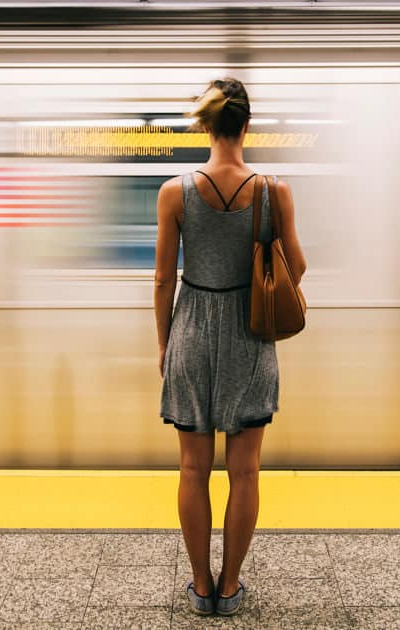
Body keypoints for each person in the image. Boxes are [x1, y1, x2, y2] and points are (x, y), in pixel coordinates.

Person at [153, 77, 307, 617]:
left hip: (191, 328)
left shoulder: (175, 192)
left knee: (193, 469)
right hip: (250, 332)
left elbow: (162, 280)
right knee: (246, 470)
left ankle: (200, 586)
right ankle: (231, 585)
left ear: (204, 125)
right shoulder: (274, 190)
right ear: (246, 125)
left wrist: (165, 345)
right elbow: (299, 267)